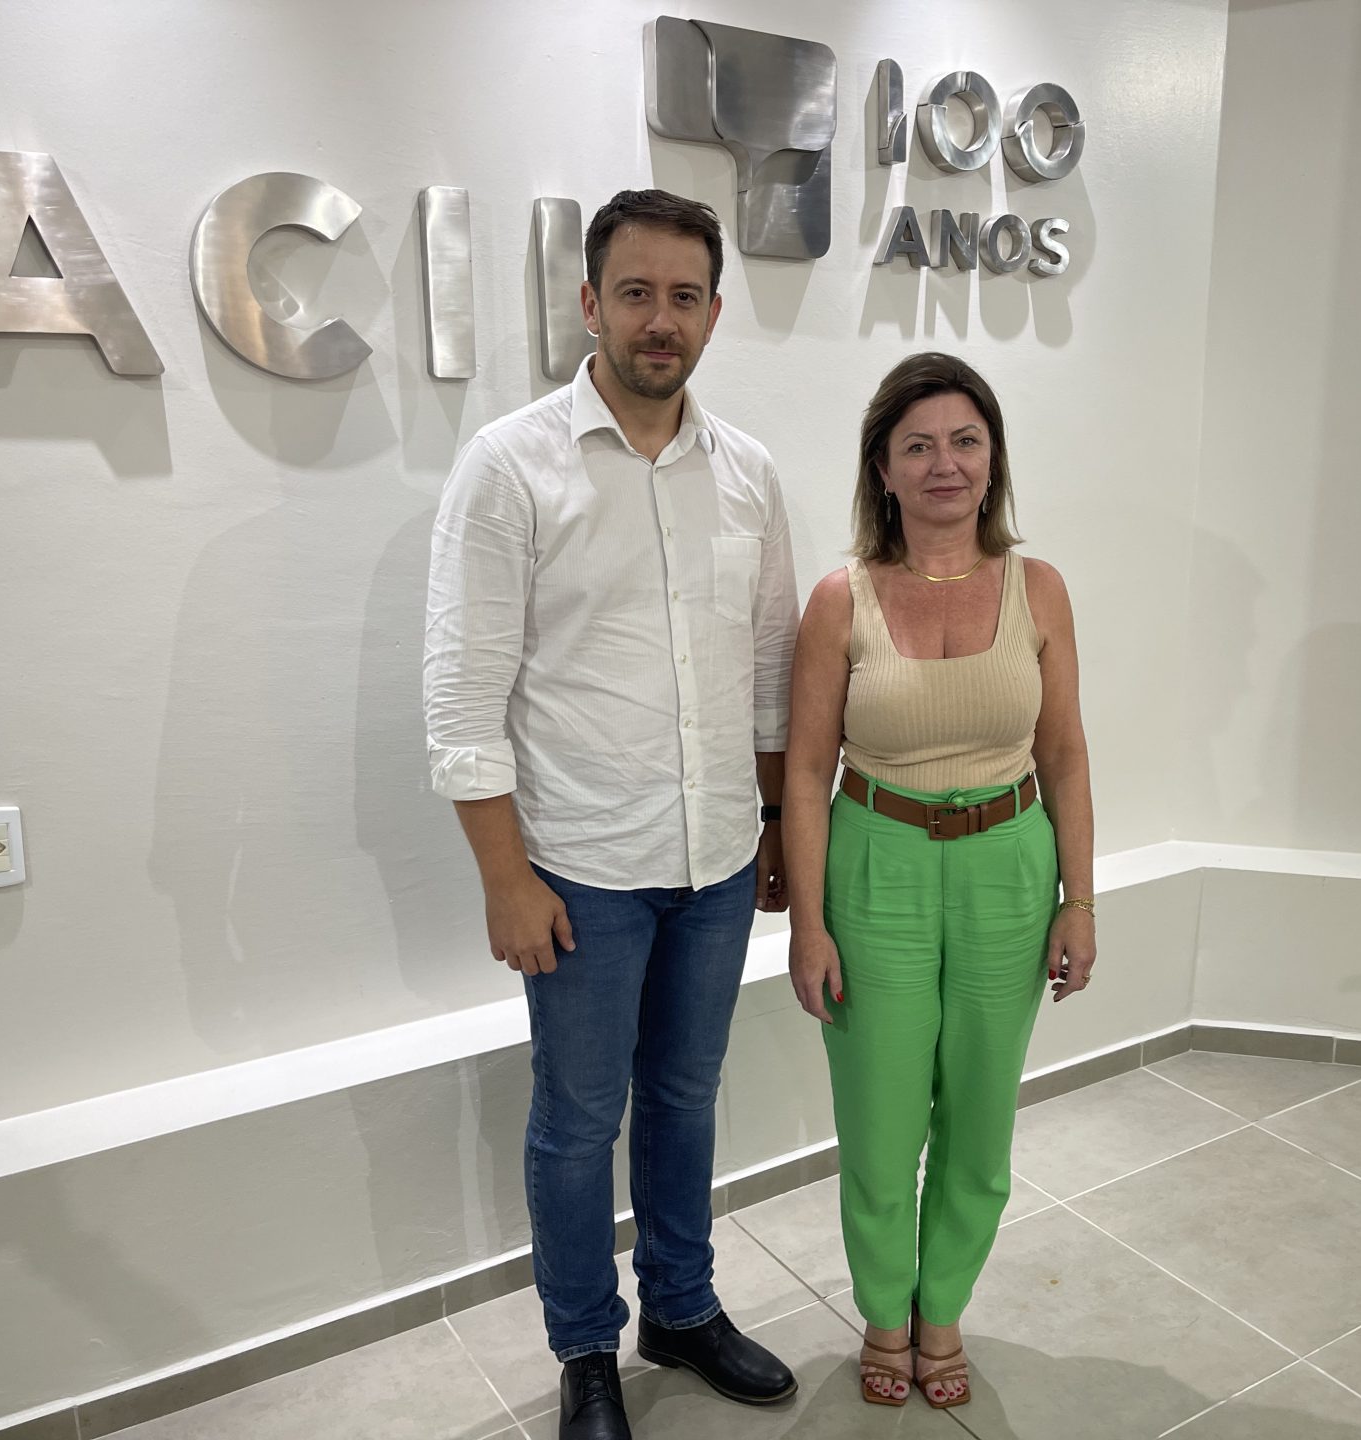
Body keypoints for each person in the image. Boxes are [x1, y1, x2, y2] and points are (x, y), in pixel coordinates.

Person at [424, 189, 800, 1440]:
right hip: (579, 867)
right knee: (579, 1121)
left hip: (715, 860)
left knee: (686, 1098)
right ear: (590, 303)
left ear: (713, 314)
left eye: (684, 297)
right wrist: (505, 879)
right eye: (635, 293)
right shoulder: (510, 466)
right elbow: (462, 696)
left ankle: (681, 1310)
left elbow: (766, 670)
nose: (659, 320)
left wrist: (772, 827)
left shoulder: (747, 475)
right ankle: (585, 1347)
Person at [782, 352, 1097, 1408]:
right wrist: (808, 924)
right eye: (917, 445)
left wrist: (1079, 900)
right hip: (878, 865)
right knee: (880, 1120)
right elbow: (804, 771)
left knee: (981, 1113)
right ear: (882, 469)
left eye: (965, 441)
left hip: (1012, 866)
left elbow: (1066, 755)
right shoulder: (841, 601)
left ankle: (943, 1310)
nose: (944, 463)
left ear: (993, 458)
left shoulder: (1039, 590)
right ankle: (885, 1312)